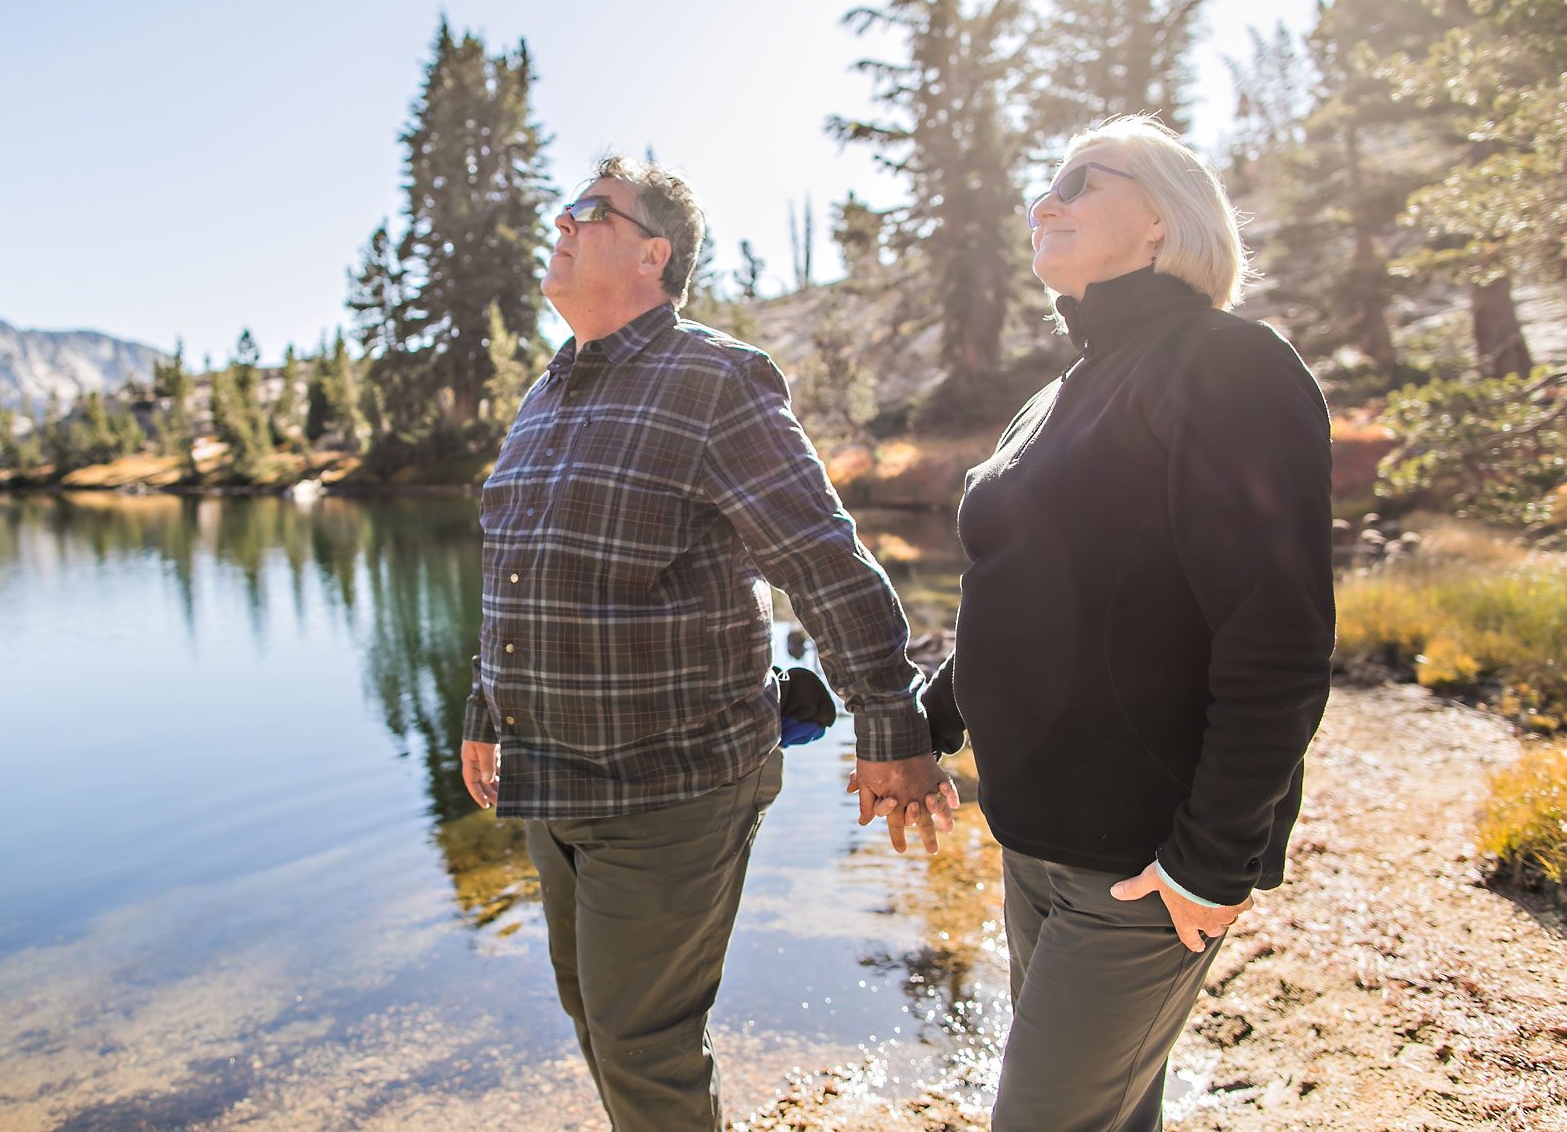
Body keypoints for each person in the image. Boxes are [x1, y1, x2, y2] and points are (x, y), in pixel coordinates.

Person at [459, 154, 955, 1132]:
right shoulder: (542, 396)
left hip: (672, 781)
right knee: (597, 1021)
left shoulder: (714, 380)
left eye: (587, 212)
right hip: (552, 774)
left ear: (654, 255)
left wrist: (890, 724)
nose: (559, 222)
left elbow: (822, 560)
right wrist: (487, 712)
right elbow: (513, 574)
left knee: (645, 1046)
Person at [894, 115, 1336, 1130]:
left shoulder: (1228, 363)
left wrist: (1212, 855)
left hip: (1146, 858)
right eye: (1040, 190)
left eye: (1081, 181)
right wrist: (931, 709)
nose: (1044, 202)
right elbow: (1031, 589)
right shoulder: (1056, 395)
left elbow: (1279, 632)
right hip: (1038, 840)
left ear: (1162, 223)